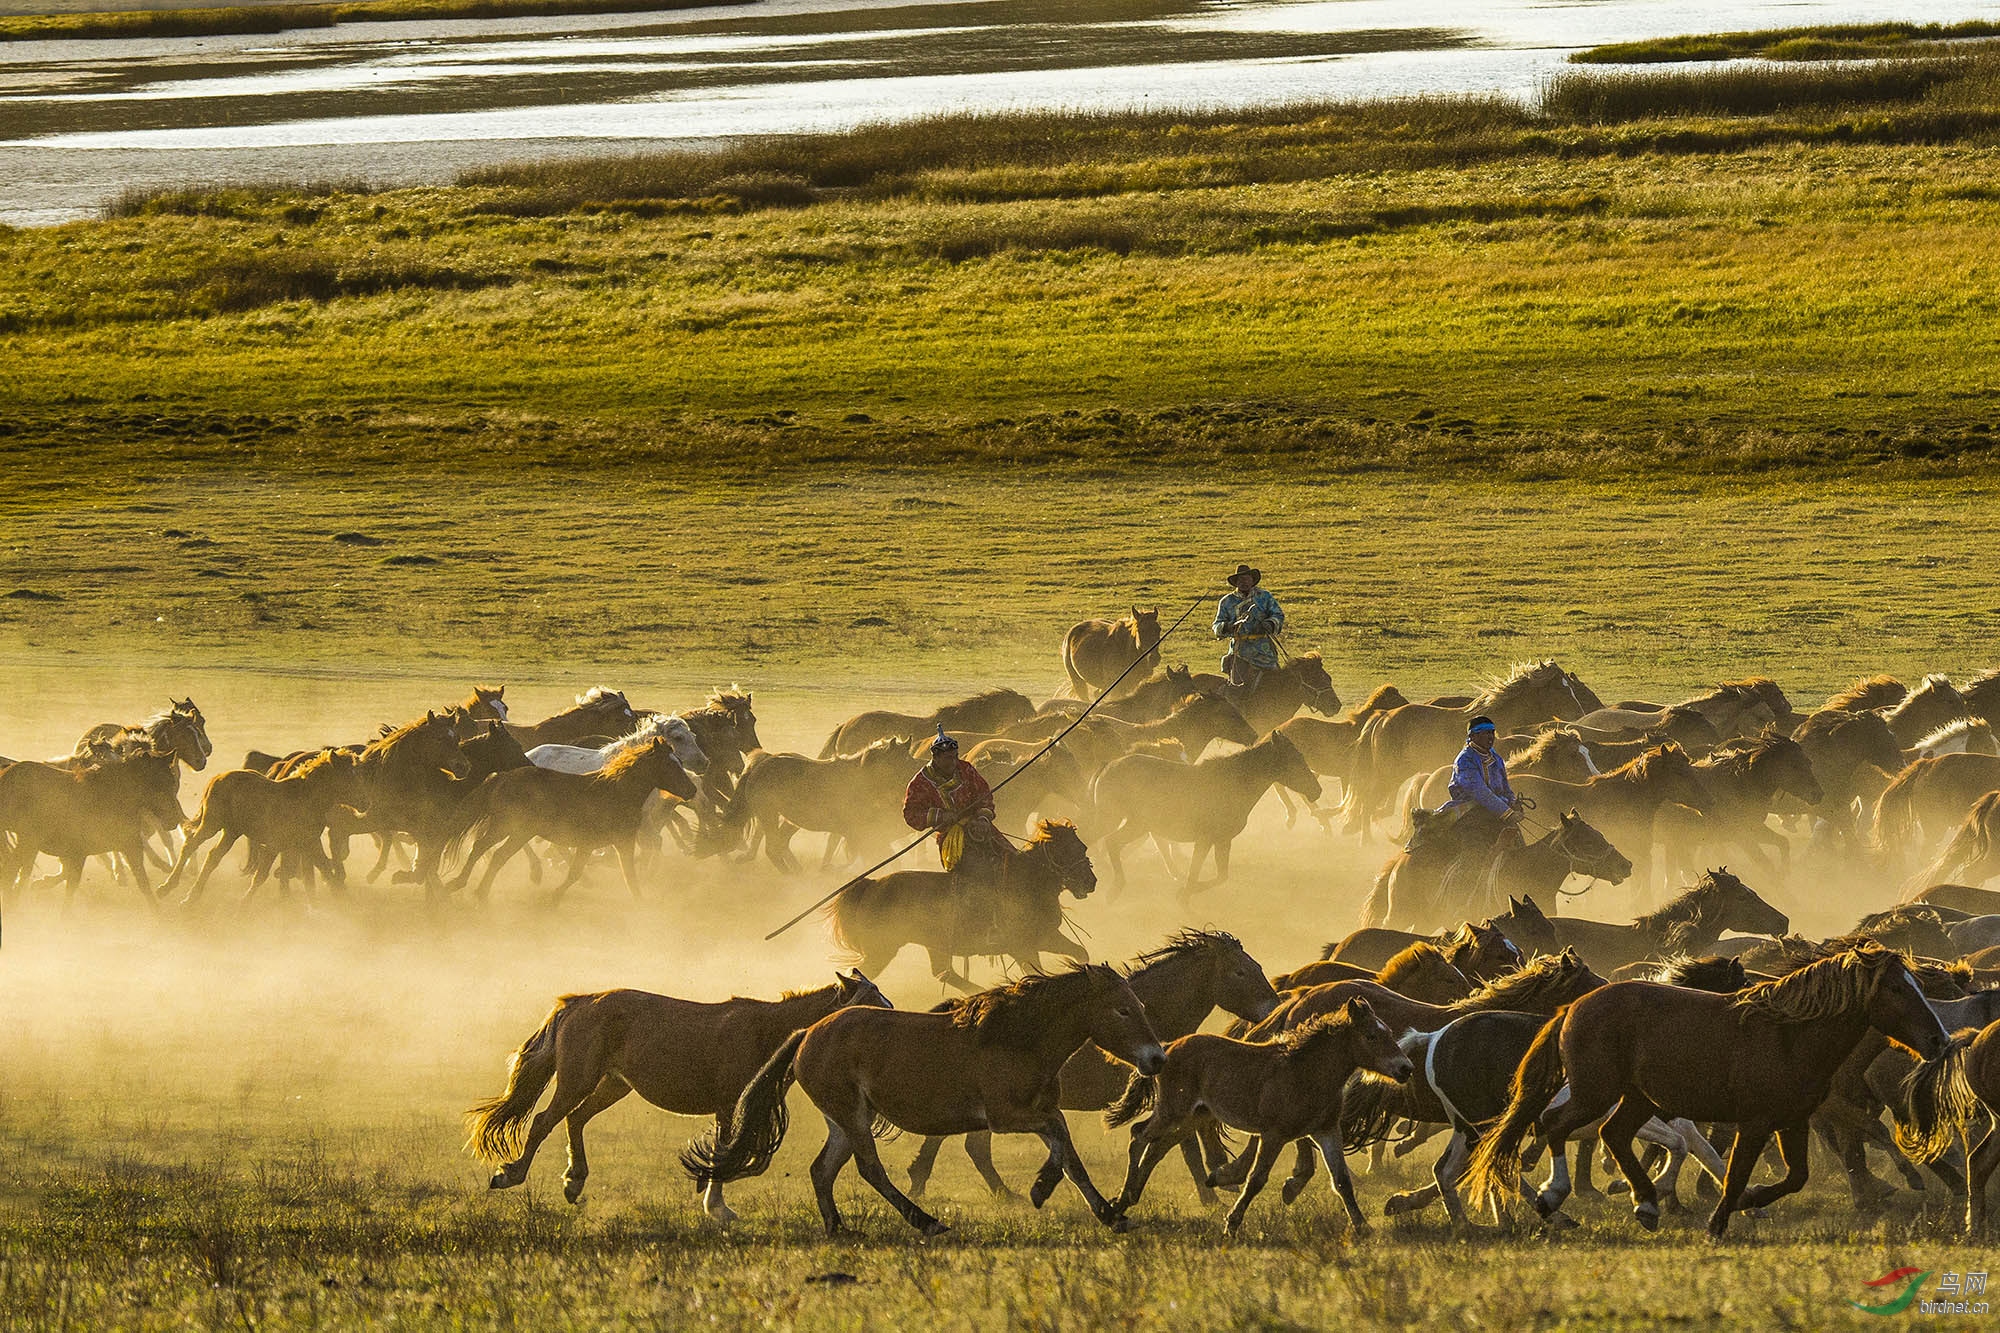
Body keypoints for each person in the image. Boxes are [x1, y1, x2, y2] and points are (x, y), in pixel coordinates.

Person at [902, 726, 1007, 881]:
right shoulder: (920, 782)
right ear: (936, 758)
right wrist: (942, 816)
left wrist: (983, 819)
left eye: (955, 756)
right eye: (948, 758)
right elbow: (911, 814)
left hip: (980, 828)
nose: (953, 762)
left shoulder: (966, 769)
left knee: (1013, 860)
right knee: (979, 873)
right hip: (952, 839)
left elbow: (984, 796)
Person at [1442, 715, 1527, 854]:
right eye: (1486, 733)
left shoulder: (1495, 757)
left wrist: (1513, 802)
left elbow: (1505, 787)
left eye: (1492, 732)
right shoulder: (1465, 760)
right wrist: (1507, 813)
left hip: (1496, 811)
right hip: (1471, 814)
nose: (1491, 737)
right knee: (1476, 856)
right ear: (1473, 736)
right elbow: (1480, 792)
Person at [1213, 564, 1285, 695]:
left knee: (1279, 684)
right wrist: (1229, 626)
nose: (1244, 582)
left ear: (1252, 580)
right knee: (1236, 689)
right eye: (1240, 580)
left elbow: (1278, 615)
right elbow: (1217, 625)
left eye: (1247, 579)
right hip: (1240, 651)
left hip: (1264, 650)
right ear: (1236, 582)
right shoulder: (1226, 601)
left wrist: (1269, 624)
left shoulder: (1265, 597)